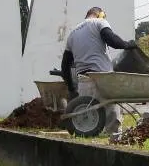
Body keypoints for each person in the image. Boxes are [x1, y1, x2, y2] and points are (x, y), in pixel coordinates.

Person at [60, 7, 140, 135]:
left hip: (84, 80)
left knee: (89, 116)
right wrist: (129, 45)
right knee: (111, 113)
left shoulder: (72, 34)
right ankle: (113, 136)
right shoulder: (99, 22)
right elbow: (112, 41)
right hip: (102, 77)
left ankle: (89, 136)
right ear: (100, 15)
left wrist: (71, 88)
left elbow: (65, 66)